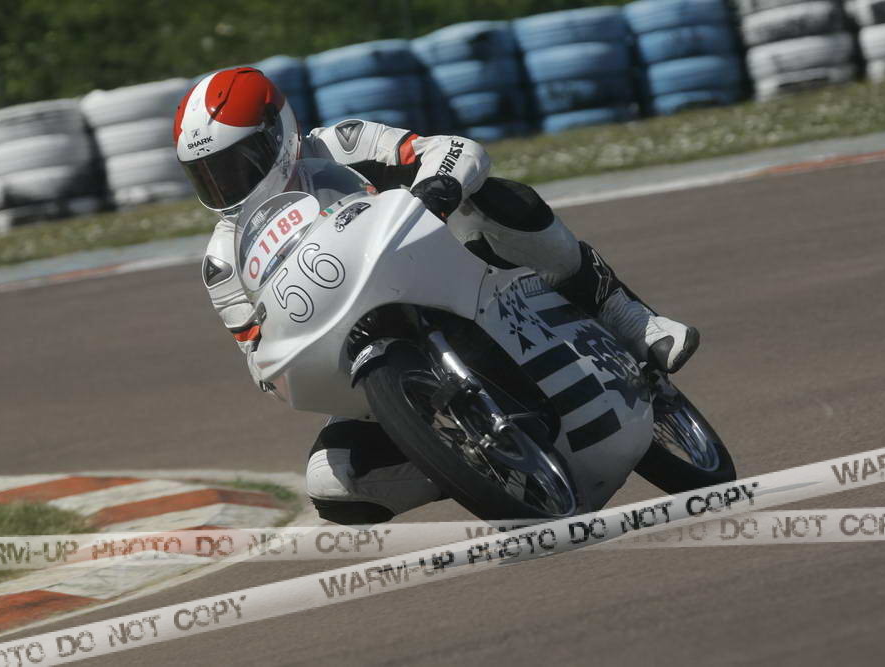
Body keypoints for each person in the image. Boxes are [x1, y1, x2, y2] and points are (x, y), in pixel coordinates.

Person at [174, 66, 699, 524]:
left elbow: (454, 150)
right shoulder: (224, 261)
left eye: (238, 164)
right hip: (357, 353)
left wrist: (436, 188)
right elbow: (259, 358)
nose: (227, 185)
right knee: (332, 484)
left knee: (497, 197)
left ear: (278, 132)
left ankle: (627, 315)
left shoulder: (341, 146)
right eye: (209, 176)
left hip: (450, 274)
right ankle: (470, 463)